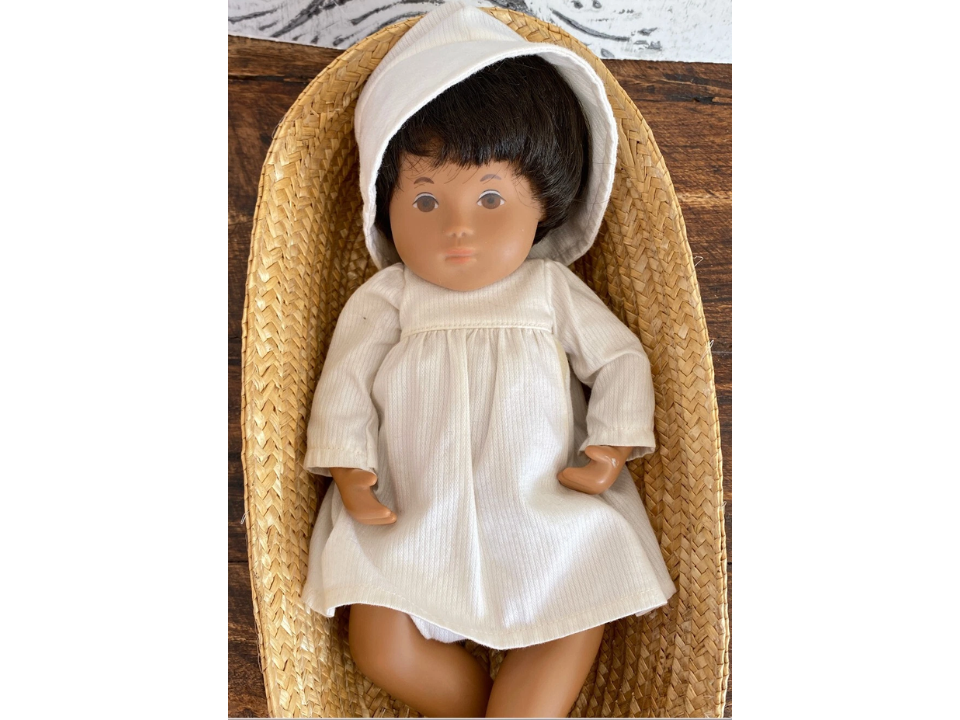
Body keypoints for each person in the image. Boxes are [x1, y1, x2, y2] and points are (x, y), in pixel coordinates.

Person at [301, 3, 676, 716]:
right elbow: (344, 384)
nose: (459, 228)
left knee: (578, 600)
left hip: (543, 512)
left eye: (492, 197)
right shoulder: (390, 299)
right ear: (386, 205)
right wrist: (350, 469)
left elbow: (620, 360)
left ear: (544, 205)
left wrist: (609, 447)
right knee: (380, 647)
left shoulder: (549, 290)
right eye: (425, 201)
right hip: (414, 516)